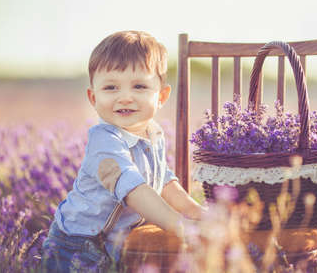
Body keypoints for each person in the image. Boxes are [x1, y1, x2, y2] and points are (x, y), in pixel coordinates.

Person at [41, 30, 206, 272]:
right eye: (111, 87)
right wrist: (179, 225)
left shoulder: (154, 133)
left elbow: (163, 181)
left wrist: (193, 210)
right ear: (93, 97)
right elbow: (134, 190)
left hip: (115, 241)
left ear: (161, 96)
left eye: (139, 86)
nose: (125, 97)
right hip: (76, 245)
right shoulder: (104, 141)